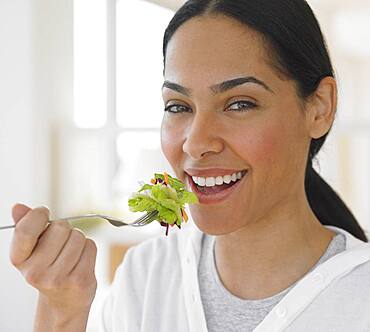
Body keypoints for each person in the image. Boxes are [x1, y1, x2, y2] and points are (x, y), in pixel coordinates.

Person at [9, 0, 370, 331]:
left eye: (240, 103)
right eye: (178, 106)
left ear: (320, 106)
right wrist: (62, 313)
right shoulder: (145, 278)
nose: (195, 143)